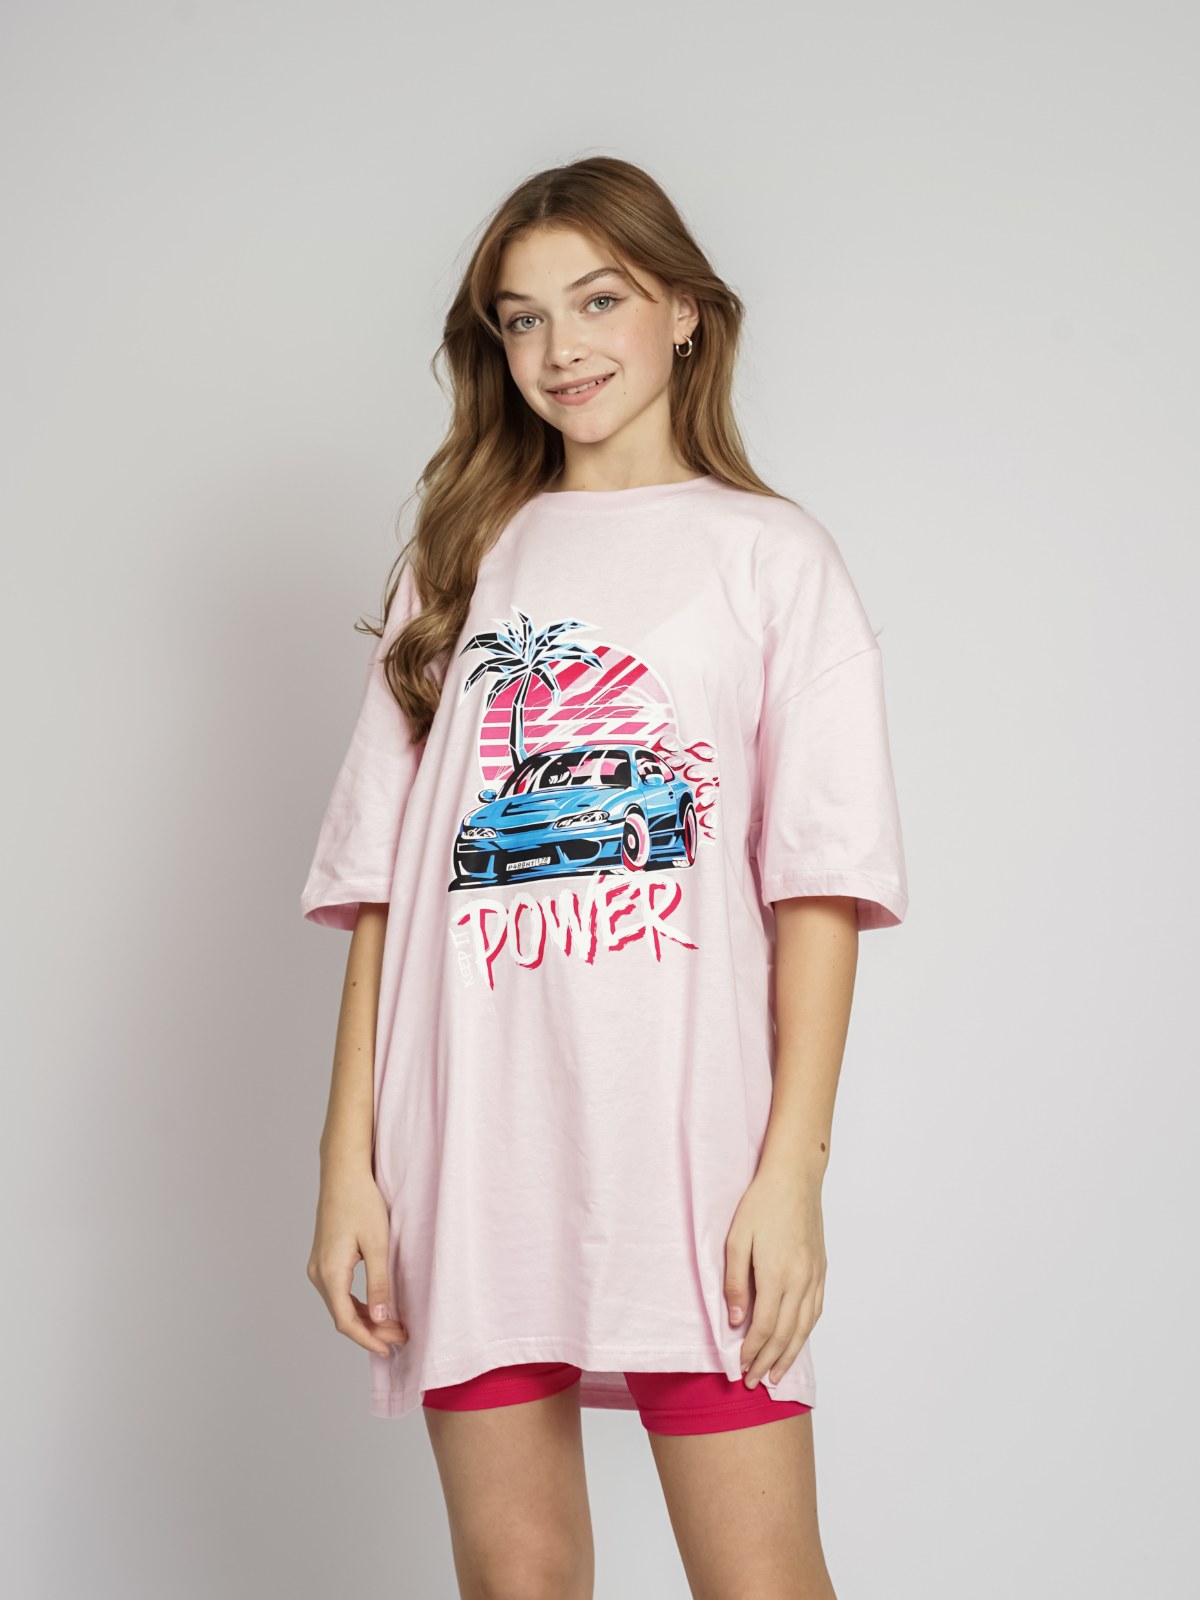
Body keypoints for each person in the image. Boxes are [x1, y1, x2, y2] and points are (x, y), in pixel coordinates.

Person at [300, 155, 908, 1600]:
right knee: (517, 1580)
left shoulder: (773, 559)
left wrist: (792, 1175)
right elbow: (390, 893)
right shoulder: (461, 561)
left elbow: (817, 889)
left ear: (685, 311)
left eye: (599, 300)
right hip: (472, 1148)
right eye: (522, 318)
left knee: (762, 1579)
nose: (560, 348)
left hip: (690, 1146)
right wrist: (347, 1170)